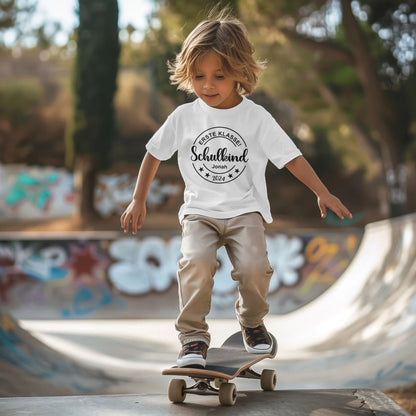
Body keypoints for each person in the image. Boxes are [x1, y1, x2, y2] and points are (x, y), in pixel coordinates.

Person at [120, 10, 352, 368]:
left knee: (254, 268)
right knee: (194, 263)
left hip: (246, 211)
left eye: (219, 76)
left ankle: (252, 322)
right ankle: (193, 338)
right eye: (199, 76)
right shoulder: (184, 117)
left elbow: (291, 157)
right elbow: (153, 153)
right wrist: (138, 199)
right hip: (200, 213)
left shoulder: (256, 117)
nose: (208, 85)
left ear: (240, 73)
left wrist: (322, 191)